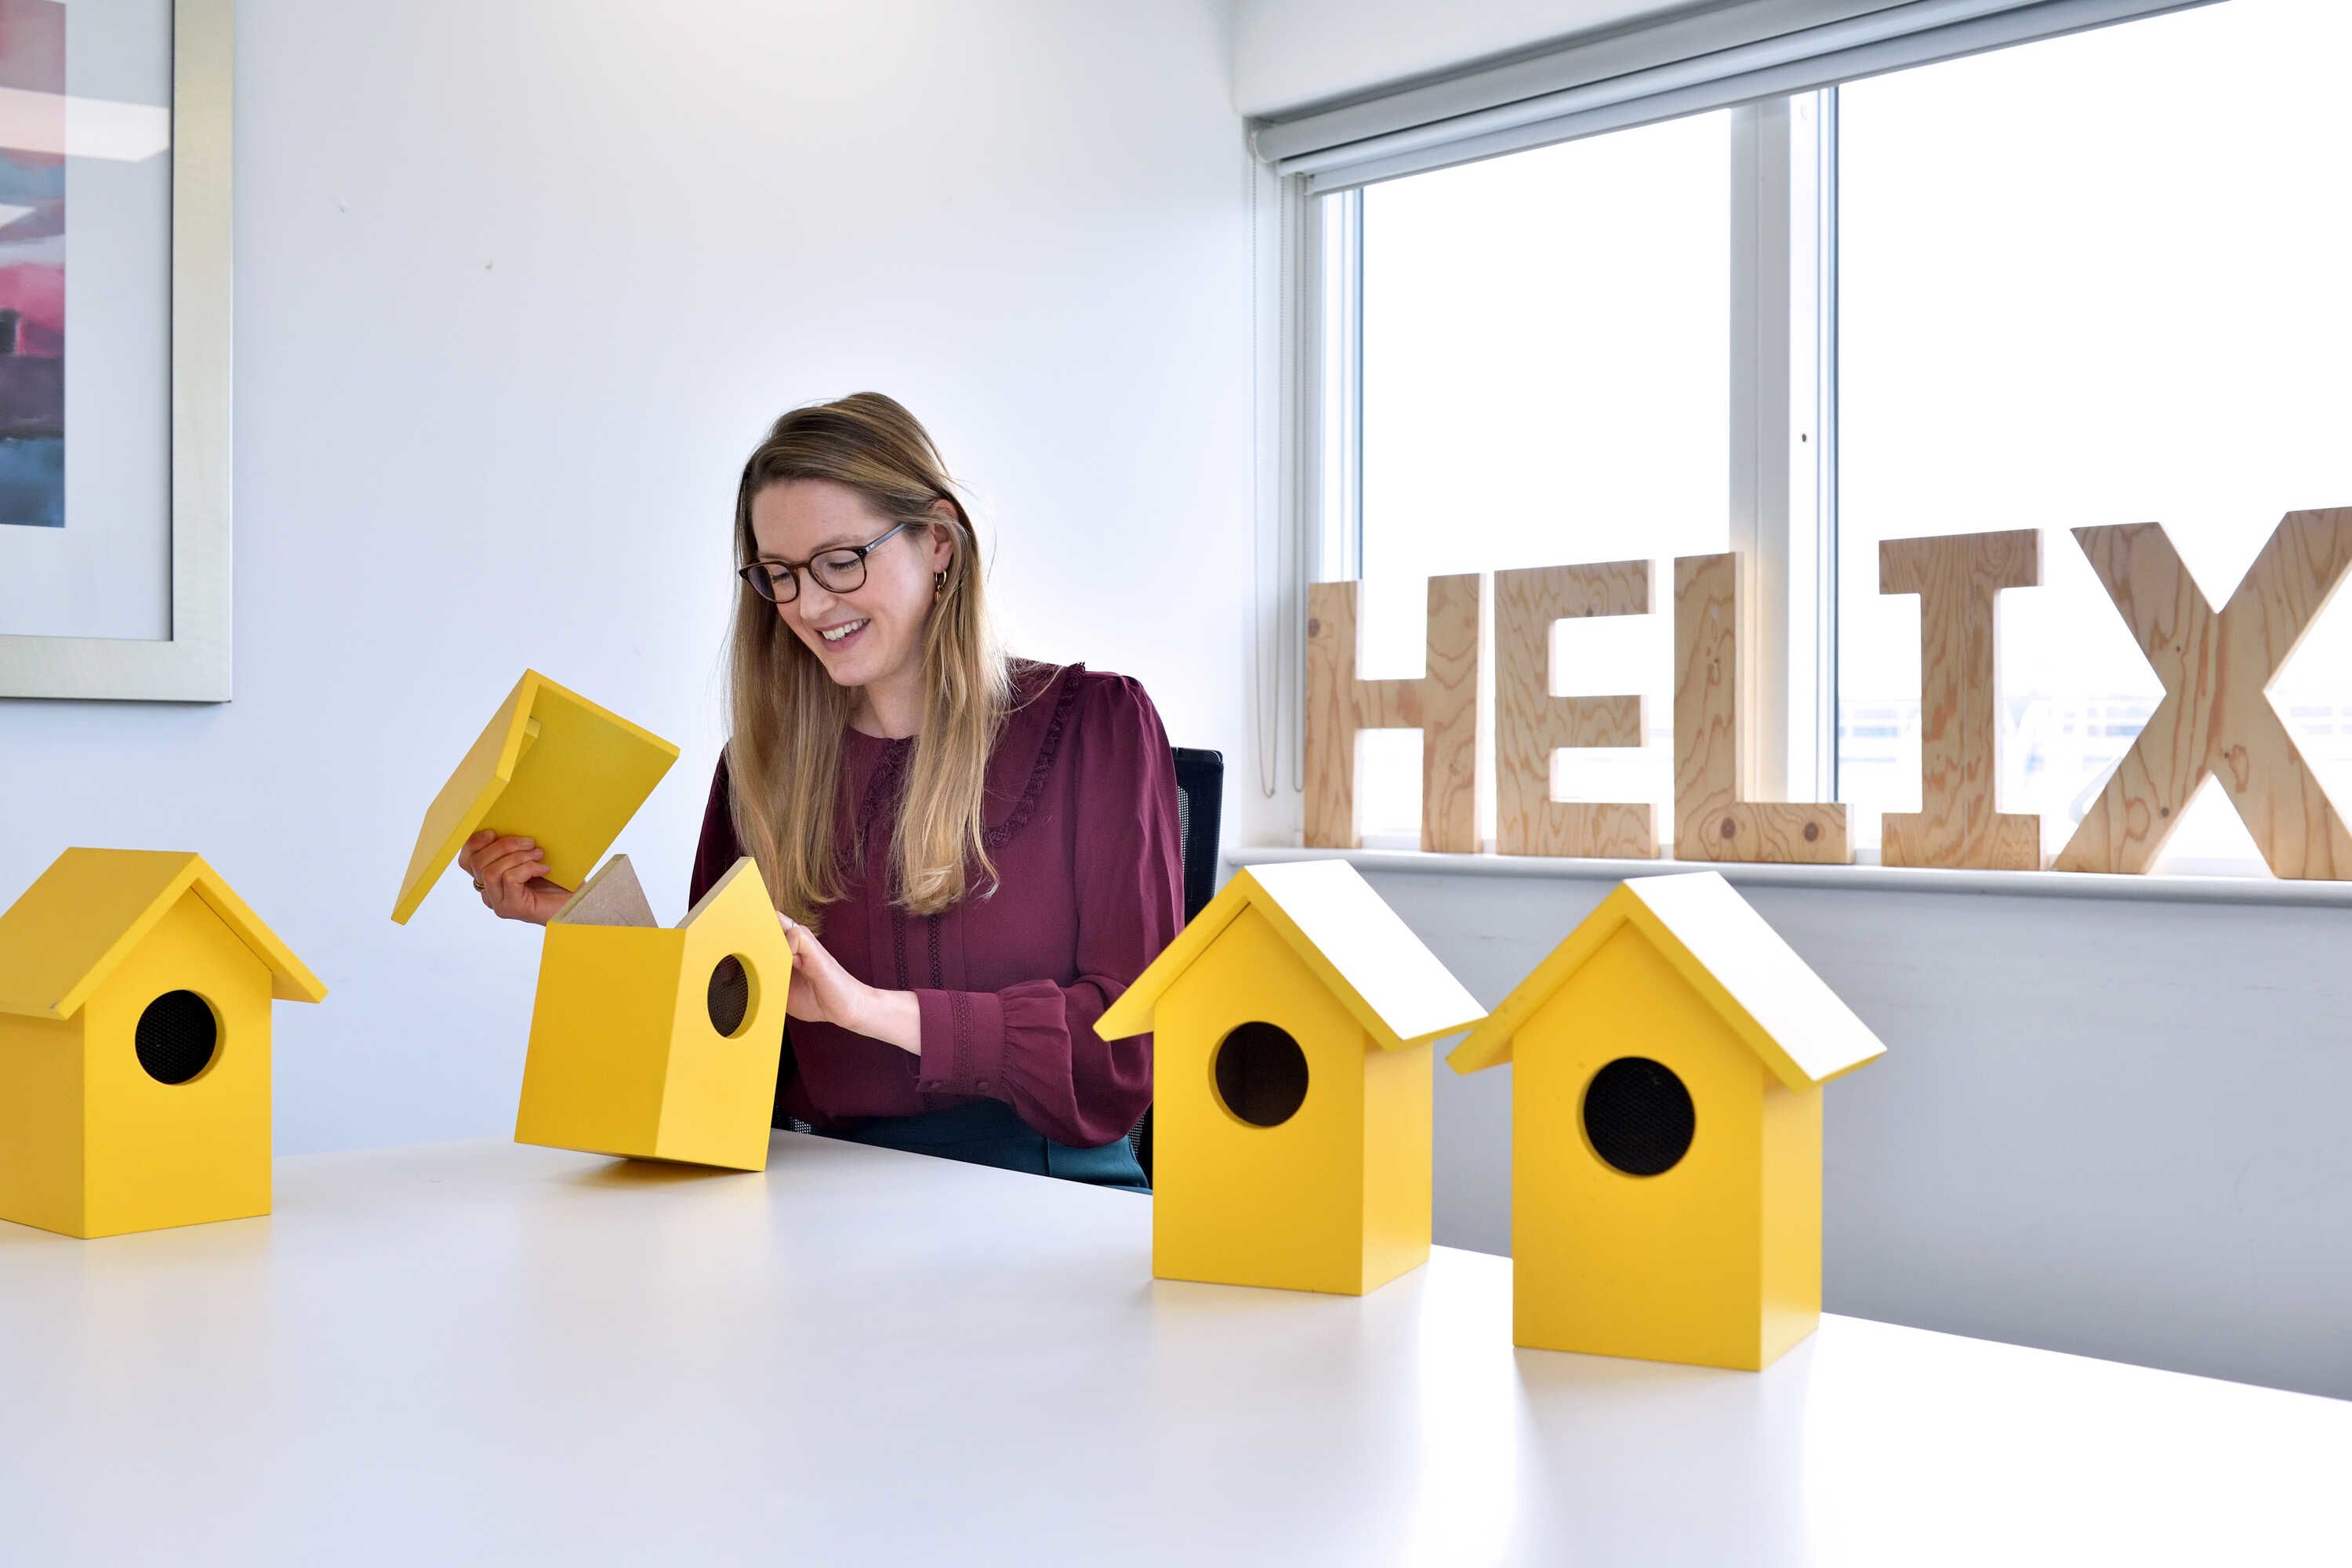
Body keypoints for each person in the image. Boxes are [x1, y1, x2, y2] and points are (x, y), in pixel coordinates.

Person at [457, 393, 1181, 1191]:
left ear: (938, 539)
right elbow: (725, 1036)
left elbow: (1124, 1051)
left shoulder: (1098, 727)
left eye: (841, 560)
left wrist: (863, 1007)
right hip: (815, 1187)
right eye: (780, 575)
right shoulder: (760, 768)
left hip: (1046, 1195)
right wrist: (583, 920)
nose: (807, 603)